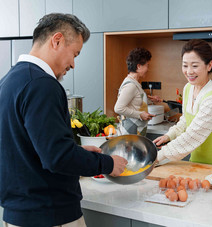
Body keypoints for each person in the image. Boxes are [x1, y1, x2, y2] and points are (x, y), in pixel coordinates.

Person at [0, 13, 127, 227]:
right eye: (75, 54)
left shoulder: (11, 80)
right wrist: (107, 164)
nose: (73, 64)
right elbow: (56, 157)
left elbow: (30, 148)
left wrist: (76, 152)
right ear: (57, 40)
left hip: (21, 213)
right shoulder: (42, 84)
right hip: (50, 215)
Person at [153, 39, 212, 166]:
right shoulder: (188, 88)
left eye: (194, 66)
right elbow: (186, 120)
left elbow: (193, 135)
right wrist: (170, 135)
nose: (189, 71)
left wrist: (157, 156)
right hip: (198, 163)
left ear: (209, 65)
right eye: (185, 65)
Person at [114, 47, 160, 136]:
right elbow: (118, 108)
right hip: (130, 133)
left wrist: (150, 100)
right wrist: (140, 115)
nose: (148, 69)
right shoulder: (130, 85)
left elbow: (134, 102)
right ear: (138, 66)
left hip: (135, 131)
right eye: (147, 65)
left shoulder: (134, 83)